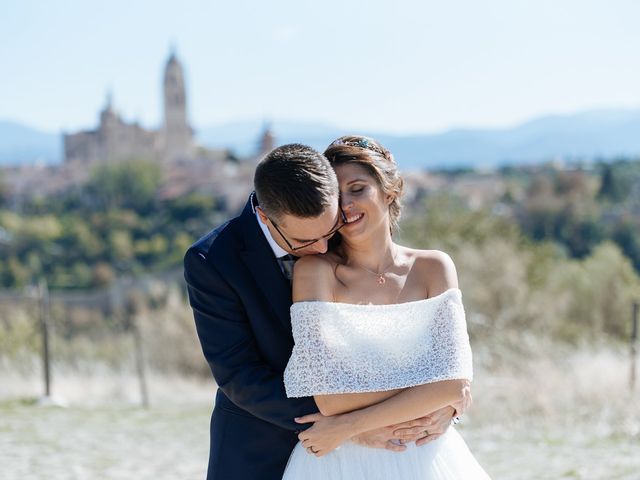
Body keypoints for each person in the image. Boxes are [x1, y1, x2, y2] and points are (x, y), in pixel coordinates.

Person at [184, 144, 464, 480]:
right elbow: (239, 377)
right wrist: (350, 426)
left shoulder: (331, 214)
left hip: (401, 444)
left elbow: (449, 375)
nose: (321, 248)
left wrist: (447, 401)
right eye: (304, 243)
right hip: (263, 440)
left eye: (329, 232)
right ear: (266, 217)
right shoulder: (213, 261)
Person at [282, 136, 490, 479]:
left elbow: (453, 385)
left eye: (358, 188)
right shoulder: (316, 272)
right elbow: (328, 398)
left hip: (426, 455)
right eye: (335, 195)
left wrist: (348, 424)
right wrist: (429, 395)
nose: (345, 204)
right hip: (343, 461)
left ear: (389, 191)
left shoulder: (434, 268)